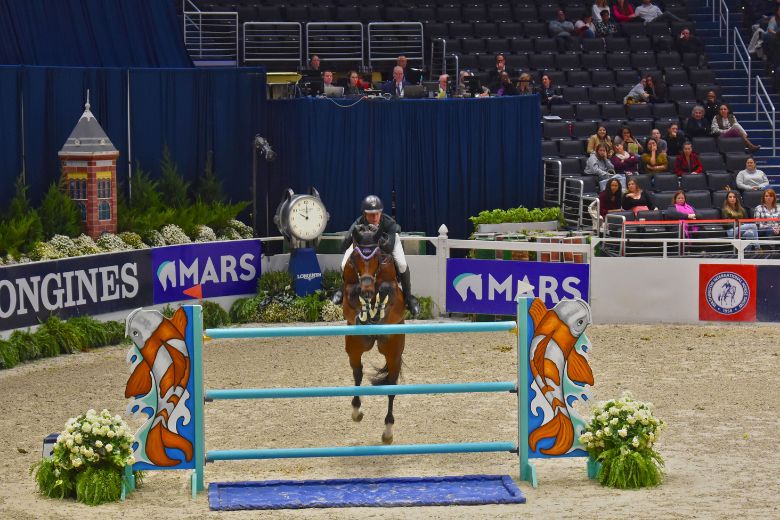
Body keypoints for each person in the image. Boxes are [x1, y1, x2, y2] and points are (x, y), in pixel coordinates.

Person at [334, 195, 420, 315]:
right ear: (365, 214)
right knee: (344, 264)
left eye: (377, 214)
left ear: (381, 213)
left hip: (389, 242)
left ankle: (408, 297)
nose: (374, 217)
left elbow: (389, 247)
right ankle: (341, 290)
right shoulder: (359, 221)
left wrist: (376, 234)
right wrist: (351, 236)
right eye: (371, 214)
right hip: (366, 245)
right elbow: (345, 243)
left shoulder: (390, 223)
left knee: (402, 264)